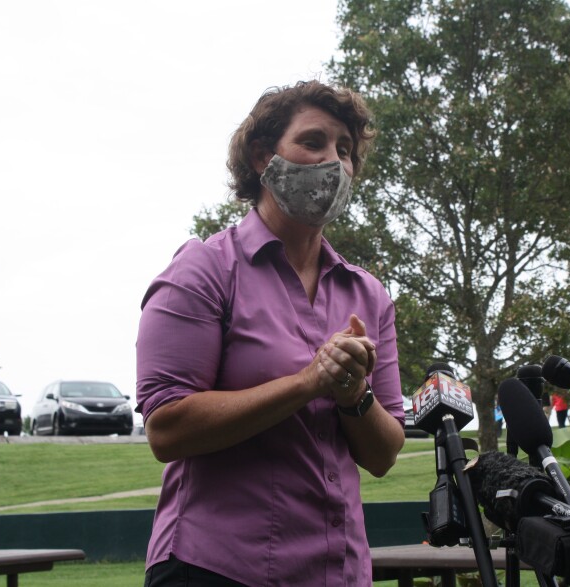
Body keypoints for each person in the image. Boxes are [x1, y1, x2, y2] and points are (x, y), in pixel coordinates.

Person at [135, 80, 406, 587]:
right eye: (313, 142)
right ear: (263, 158)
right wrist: (310, 381)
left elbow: (384, 454)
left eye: (345, 150)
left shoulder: (369, 296)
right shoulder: (204, 271)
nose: (335, 162)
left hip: (338, 573)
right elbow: (167, 429)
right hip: (216, 569)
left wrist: (353, 393)